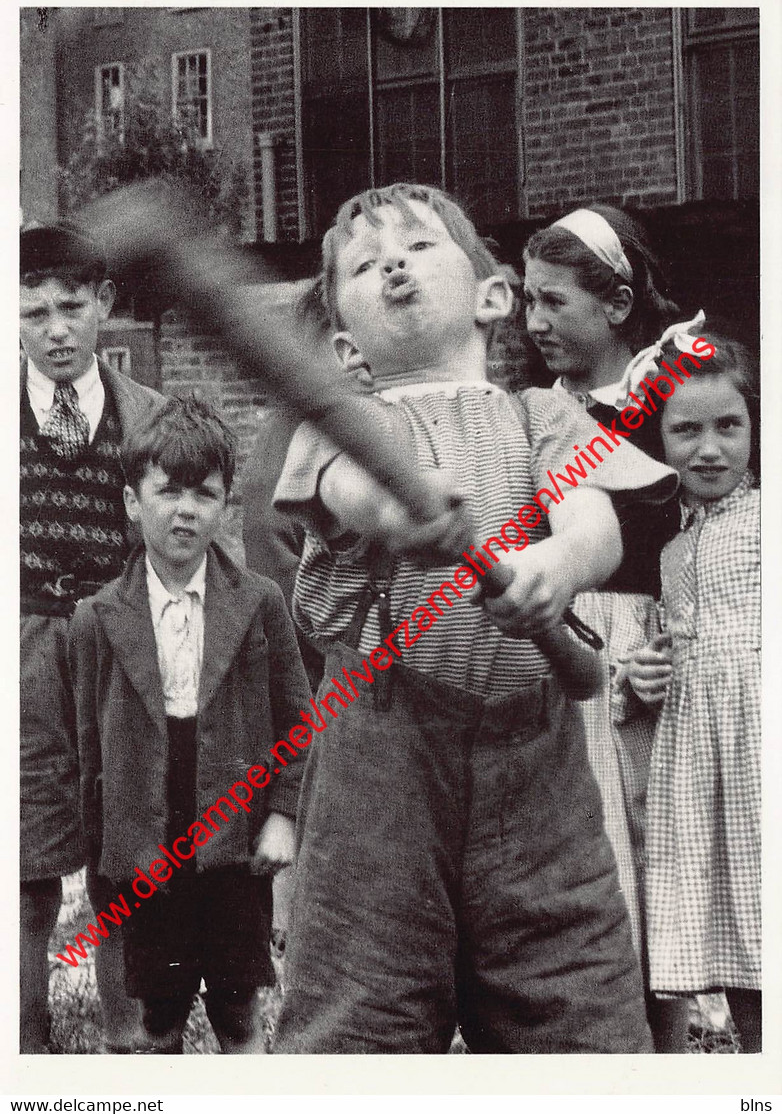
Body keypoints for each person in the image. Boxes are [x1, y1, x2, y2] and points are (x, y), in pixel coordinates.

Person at [270, 183, 678, 1054]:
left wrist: (553, 566)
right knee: (359, 1004)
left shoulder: (544, 413)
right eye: (365, 263)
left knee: (572, 995)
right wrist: (392, 517)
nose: (392, 265)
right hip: (383, 757)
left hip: (537, 758)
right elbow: (345, 488)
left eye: (417, 247)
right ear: (344, 344)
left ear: (493, 295)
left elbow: (595, 522)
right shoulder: (350, 417)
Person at [68, 396, 311, 1053]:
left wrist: (283, 815)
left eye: (204, 494)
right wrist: (103, 859)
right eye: (167, 491)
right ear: (130, 501)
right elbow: (90, 752)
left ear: (226, 503)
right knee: (159, 1015)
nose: (185, 510)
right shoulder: (95, 619)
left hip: (233, 830)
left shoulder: (260, 604)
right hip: (147, 833)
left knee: (237, 1006)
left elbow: (297, 721)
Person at [521, 204, 695, 1051]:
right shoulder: (533, 416)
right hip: (566, 652)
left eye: (555, 301)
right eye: (527, 301)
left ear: (618, 304)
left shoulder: (670, 391)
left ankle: (663, 1049)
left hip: (657, 653)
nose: (535, 321)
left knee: (658, 856)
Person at [20, 222, 163, 1053]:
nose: (57, 330)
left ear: (105, 303)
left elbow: (202, 553)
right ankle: (25, 1047)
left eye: (72, 307)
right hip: (24, 657)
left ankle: (129, 1041)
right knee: (27, 865)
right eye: (33, 313)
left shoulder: (150, 419)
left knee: (124, 857)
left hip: (120, 655)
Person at [625, 334, 761, 1052]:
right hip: (698, 757)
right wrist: (642, 672)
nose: (708, 448)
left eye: (728, 426)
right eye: (686, 429)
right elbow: (665, 644)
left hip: (760, 749)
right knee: (736, 917)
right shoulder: (672, 549)